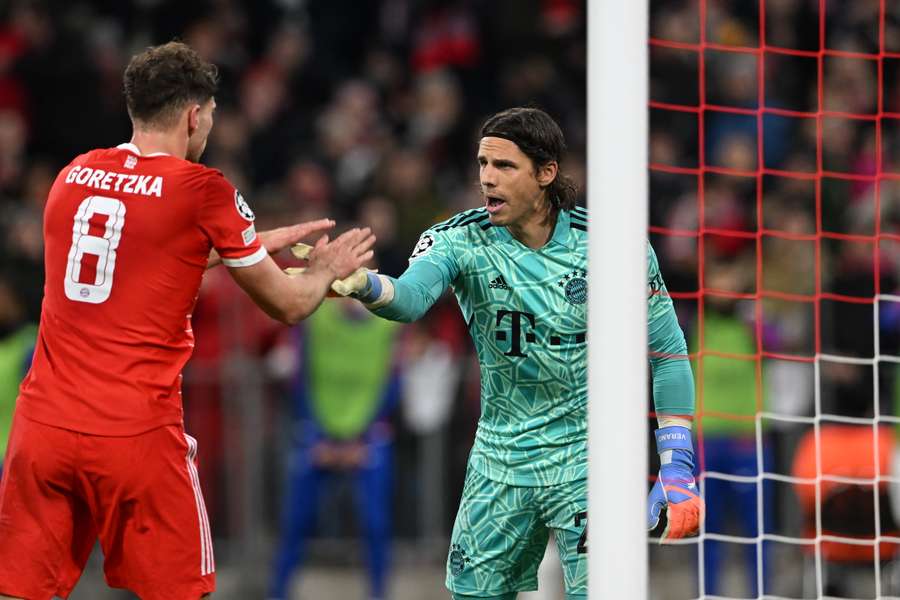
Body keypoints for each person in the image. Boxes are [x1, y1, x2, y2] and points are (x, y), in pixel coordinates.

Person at [0, 41, 374, 600]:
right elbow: (289, 305)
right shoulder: (204, 191)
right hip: (135, 438)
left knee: (20, 593)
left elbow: (134, 255)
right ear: (195, 115)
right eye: (212, 118)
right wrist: (324, 269)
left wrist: (240, 246)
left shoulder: (73, 177)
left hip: (43, 431)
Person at [326, 106, 702, 599]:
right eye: (482, 164)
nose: (487, 179)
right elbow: (411, 297)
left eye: (504, 166)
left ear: (546, 173)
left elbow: (668, 352)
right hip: (500, 460)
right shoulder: (459, 239)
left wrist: (676, 459)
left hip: (589, 460)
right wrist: (365, 285)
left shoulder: (613, 244)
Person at [268, 298, 401, 600]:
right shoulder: (314, 319)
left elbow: (393, 385)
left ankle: (379, 594)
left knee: (376, 523)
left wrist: (362, 441)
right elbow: (299, 379)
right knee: (294, 523)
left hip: (367, 439)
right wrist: (316, 437)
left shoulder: (388, 326)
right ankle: (277, 593)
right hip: (317, 436)